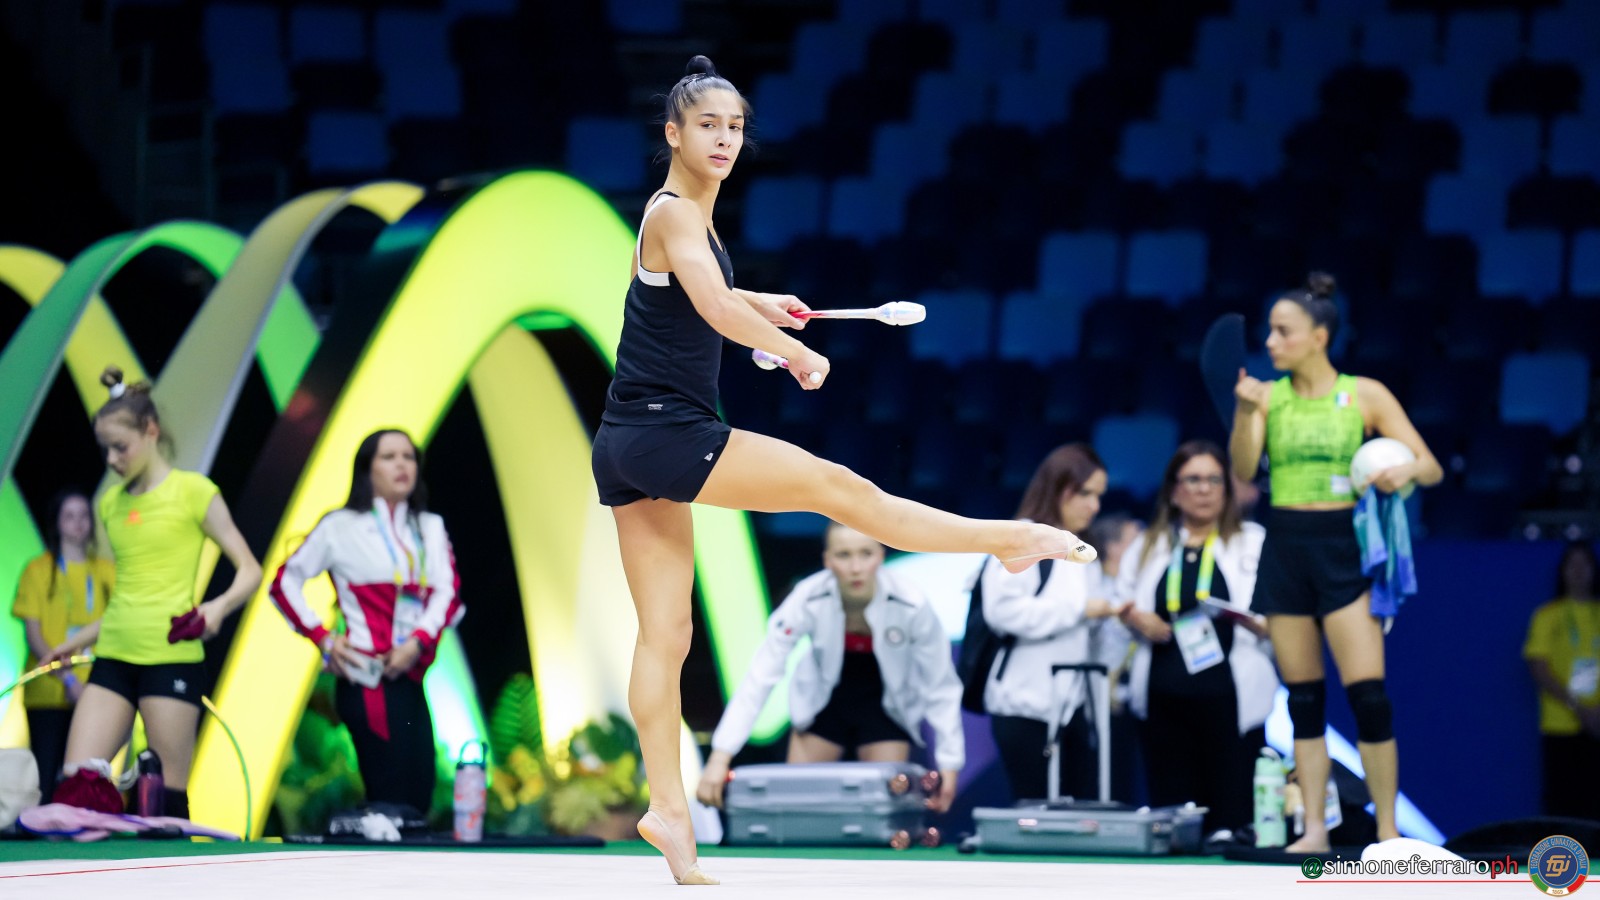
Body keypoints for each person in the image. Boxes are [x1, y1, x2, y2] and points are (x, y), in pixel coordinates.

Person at [590, 56, 1093, 885]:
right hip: (668, 432)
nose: (724, 139)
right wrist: (791, 352)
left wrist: (761, 306)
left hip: (625, 439)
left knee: (666, 634)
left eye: (735, 127)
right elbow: (711, 306)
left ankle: (668, 812)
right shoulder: (676, 212)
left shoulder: (686, 222)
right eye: (707, 125)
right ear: (672, 134)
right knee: (845, 492)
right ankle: (1005, 540)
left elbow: (701, 297)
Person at [1229, 272, 1442, 851]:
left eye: (1283, 331)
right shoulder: (1267, 397)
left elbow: (1429, 466)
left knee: (1369, 697)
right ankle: (1316, 830)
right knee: (1303, 701)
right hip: (1286, 546)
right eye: (1269, 331)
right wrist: (1246, 413)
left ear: (1319, 337)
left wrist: (1403, 471)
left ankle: (1389, 832)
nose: (1270, 342)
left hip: (1344, 548)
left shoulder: (1364, 394)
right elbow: (1244, 470)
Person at [43, 367, 262, 819]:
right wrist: (76, 641)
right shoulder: (110, 505)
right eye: (105, 449)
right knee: (74, 790)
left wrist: (217, 607)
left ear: (151, 431)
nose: (111, 459)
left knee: (165, 804)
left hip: (171, 659)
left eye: (120, 447)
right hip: (113, 657)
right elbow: (130, 597)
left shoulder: (194, 492)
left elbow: (250, 570)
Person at [696, 523, 964, 814]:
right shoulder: (807, 596)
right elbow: (761, 675)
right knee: (798, 812)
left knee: (884, 813)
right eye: (843, 555)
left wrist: (949, 764)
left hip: (887, 709)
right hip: (822, 706)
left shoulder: (911, 603)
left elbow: (941, 684)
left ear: (880, 555)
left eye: (865, 553)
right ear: (827, 560)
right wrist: (720, 757)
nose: (856, 567)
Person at [269, 429, 463, 815]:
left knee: (419, 794)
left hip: (411, 675)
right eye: (388, 457)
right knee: (390, 796)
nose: (401, 465)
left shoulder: (429, 527)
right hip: (366, 677)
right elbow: (283, 583)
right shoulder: (339, 526)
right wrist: (324, 638)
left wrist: (416, 642)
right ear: (366, 469)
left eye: (408, 456)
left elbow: (449, 591)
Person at [1114, 441, 1277, 836]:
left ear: (1227, 489)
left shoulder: (1253, 541)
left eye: (1213, 480)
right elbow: (1121, 604)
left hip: (1230, 696)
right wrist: (1136, 618)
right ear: (1174, 490)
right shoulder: (1149, 545)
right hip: (1163, 695)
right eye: (1193, 479)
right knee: (1172, 818)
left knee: (1231, 819)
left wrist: (1260, 624)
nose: (1204, 489)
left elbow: (1281, 611)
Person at [975, 443, 1116, 805]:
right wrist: (1080, 609)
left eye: (1099, 496)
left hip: (1074, 706)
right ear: (1057, 488)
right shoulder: (1022, 537)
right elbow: (1002, 612)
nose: (1094, 506)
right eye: (1085, 493)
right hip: (1024, 705)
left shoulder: (1085, 550)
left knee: (1078, 816)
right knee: (1034, 813)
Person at [10, 489, 115, 798]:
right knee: (45, 774)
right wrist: (68, 679)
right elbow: (33, 634)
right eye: (69, 516)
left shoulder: (106, 571)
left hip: (94, 691)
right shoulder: (38, 570)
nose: (78, 523)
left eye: (84, 516)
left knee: (85, 777)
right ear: (56, 523)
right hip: (48, 691)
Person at [1523, 541, 1600, 821]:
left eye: (1584, 564)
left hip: (1598, 723)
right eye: (1572, 564)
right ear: (1563, 571)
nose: (1578, 571)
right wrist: (1579, 708)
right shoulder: (1548, 615)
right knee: (1562, 806)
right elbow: (1538, 666)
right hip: (1560, 724)